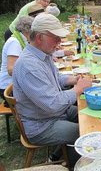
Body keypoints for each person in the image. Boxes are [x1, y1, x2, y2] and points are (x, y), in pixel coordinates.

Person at [12, 13, 92, 167]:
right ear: (40, 37)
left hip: (52, 114)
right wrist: (77, 89)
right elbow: (53, 103)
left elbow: (56, 77)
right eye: (56, 38)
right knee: (85, 133)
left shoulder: (43, 54)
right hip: (41, 125)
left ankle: (60, 156)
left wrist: (72, 80)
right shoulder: (29, 65)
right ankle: (74, 165)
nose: (59, 42)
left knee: (89, 115)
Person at [0, 16, 34, 105]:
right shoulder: (14, 42)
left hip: (16, 85)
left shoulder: (22, 40)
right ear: (27, 30)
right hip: (9, 88)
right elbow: (11, 70)